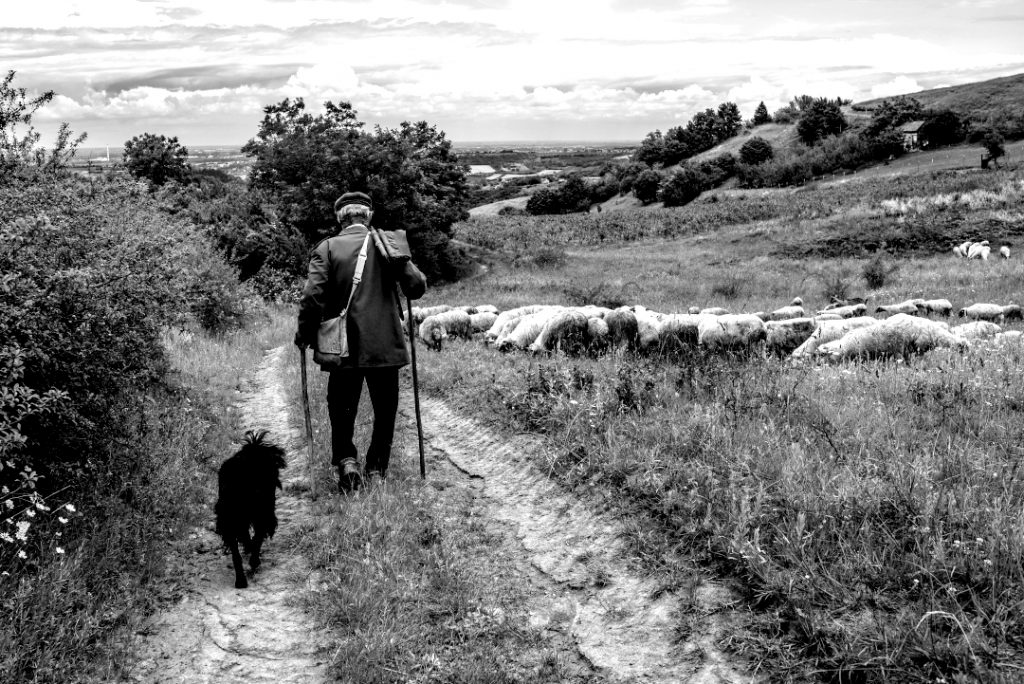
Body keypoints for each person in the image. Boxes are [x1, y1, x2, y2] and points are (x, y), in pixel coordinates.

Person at [295, 191, 427, 493]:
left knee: (341, 408)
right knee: (385, 409)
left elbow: (312, 297)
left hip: (341, 347)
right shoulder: (387, 244)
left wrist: (304, 335)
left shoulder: (327, 248)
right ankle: (377, 469)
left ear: (340, 218)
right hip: (385, 346)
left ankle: (347, 462)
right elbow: (416, 287)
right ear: (368, 216)